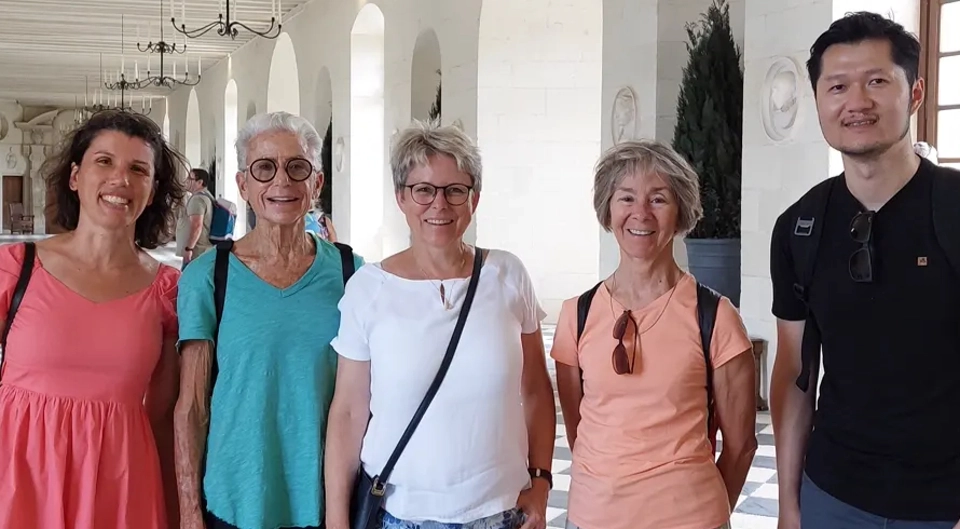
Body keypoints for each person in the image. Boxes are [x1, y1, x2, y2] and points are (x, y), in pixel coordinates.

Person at [769, 12, 960, 529]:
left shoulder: (953, 206)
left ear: (915, 93)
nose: (856, 102)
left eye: (877, 81)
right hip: (834, 493)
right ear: (818, 101)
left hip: (944, 504)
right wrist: (790, 505)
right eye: (837, 86)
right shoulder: (798, 227)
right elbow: (794, 372)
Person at [324, 121, 556, 529]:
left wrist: (541, 481)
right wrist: (337, 520)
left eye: (455, 190)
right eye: (424, 190)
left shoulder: (507, 274)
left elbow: (536, 389)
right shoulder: (369, 290)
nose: (439, 205)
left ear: (474, 199)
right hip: (400, 513)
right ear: (401, 197)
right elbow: (347, 413)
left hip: (500, 511)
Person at [549, 140, 756, 529]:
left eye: (658, 199)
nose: (640, 213)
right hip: (593, 516)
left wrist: (704, 513)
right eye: (626, 198)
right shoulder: (575, 315)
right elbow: (581, 432)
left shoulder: (715, 317)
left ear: (680, 214)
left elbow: (742, 446)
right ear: (607, 211)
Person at [174, 111, 362, 529]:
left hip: (327, 504)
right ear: (243, 185)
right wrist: (188, 512)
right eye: (264, 168)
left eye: (298, 167)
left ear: (317, 183)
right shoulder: (209, 276)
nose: (282, 182)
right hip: (235, 498)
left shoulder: (353, 274)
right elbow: (191, 406)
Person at [0, 109, 187, 529]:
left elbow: (163, 416)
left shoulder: (169, 292)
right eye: (104, 161)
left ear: (153, 190)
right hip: (19, 476)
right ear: (74, 177)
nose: (120, 179)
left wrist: (176, 509)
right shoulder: (16, 269)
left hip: (120, 484)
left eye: (138, 169)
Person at [175, 167, 215, 268]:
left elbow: (197, 226)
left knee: (187, 281)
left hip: (196, 251)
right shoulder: (207, 196)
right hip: (201, 250)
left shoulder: (197, 200)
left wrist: (189, 249)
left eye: (190, 178)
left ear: (199, 182)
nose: (186, 181)